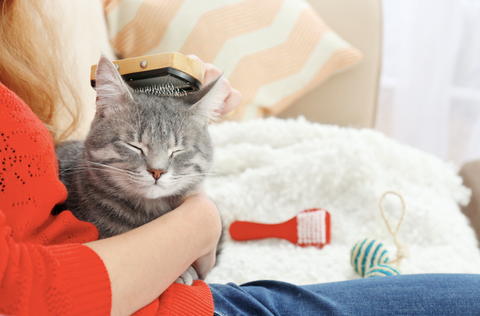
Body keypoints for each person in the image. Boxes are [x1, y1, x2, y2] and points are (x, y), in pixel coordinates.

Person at [1, 1, 479, 316]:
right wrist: (201, 222)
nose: (155, 169)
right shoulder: (88, 184)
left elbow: (200, 260)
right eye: (137, 151)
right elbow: (33, 293)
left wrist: (188, 118)